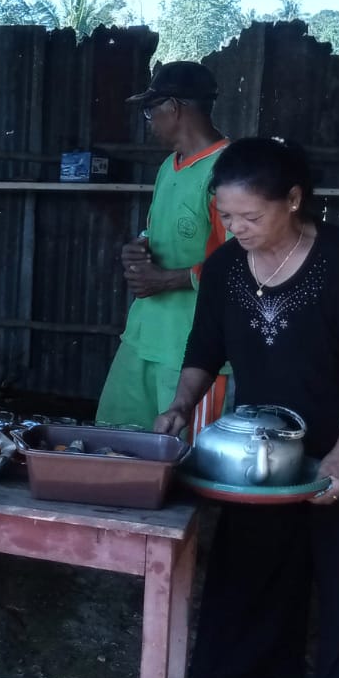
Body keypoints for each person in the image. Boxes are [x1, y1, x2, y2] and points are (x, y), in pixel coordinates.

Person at [154, 138, 339, 678]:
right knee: (255, 554)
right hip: (265, 443)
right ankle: (240, 666)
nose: (237, 228)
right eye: (227, 216)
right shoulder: (225, 267)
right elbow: (204, 347)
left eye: (251, 216)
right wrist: (181, 405)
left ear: (293, 200)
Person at [97, 61, 229, 434]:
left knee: (182, 455)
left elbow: (241, 264)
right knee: (114, 441)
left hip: (193, 353)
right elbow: (157, 233)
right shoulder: (168, 166)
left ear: (173, 107)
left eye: (150, 110)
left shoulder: (228, 170)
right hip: (144, 336)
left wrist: (167, 280)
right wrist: (137, 250)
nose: (149, 121)